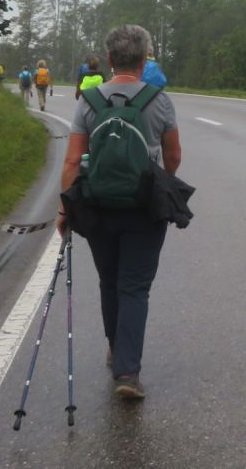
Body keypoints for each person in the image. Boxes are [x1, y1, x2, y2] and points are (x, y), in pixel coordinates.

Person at [58, 24, 182, 401]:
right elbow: (173, 156)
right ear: (144, 61)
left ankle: (116, 349)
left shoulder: (89, 99)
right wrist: (156, 184)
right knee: (134, 287)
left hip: (99, 208)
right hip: (144, 210)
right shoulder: (159, 100)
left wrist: (66, 208)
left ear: (109, 60)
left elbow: (72, 160)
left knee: (109, 282)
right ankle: (128, 371)